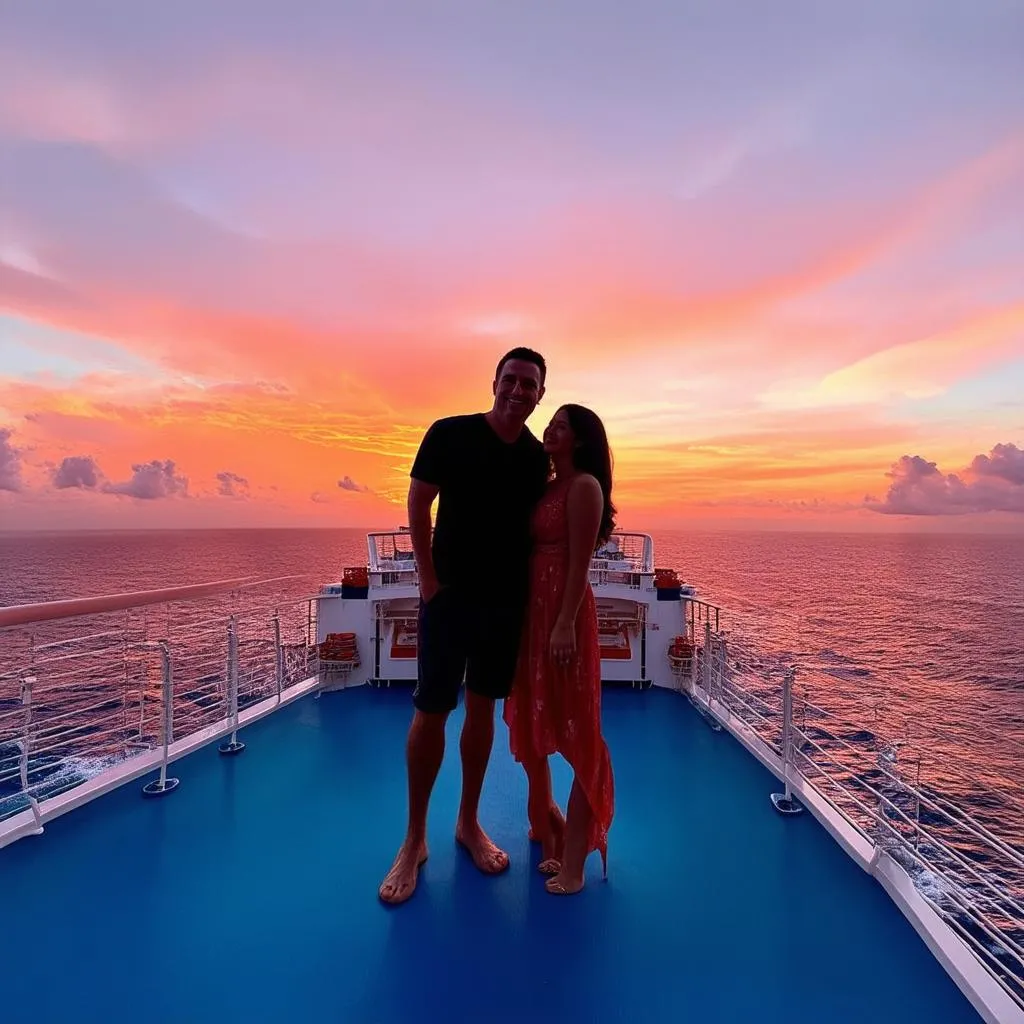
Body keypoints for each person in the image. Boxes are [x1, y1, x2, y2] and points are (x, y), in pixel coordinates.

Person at [378, 347, 551, 905]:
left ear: (540, 395)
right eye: (512, 380)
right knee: (430, 712)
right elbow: (418, 503)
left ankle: (468, 823)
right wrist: (428, 583)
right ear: (495, 382)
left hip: (504, 606)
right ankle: (413, 839)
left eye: (530, 384)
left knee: (481, 712)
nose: (519, 390)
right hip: (449, 599)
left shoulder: (533, 458)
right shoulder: (449, 433)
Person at [503, 403, 616, 895]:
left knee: (581, 736)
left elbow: (580, 561)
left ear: (582, 439)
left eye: (562, 425)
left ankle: (574, 866)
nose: (550, 429)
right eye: (551, 422)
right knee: (536, 719)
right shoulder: (549, 486)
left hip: (562, 617)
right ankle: (551, 830)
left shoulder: (584, 486)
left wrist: (566, 621)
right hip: (535, 617)